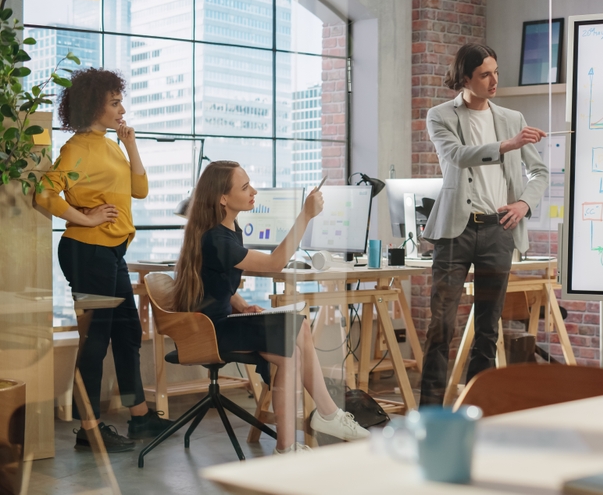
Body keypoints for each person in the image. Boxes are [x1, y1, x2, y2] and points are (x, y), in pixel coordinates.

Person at [171, 161, 369, 453]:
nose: (254, 191)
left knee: (289, 354)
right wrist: (305, 215)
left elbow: (212, 279)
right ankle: (328, 414)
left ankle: (288, 447)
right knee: (297, 325)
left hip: (218, 322)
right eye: (244, 187)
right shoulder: (216, 237)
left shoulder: (225, 230)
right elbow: (275, 265)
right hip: (209, 332)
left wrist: (238, 302)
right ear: (222, 198)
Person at [37, 68, 172, 452]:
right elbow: (45, 195)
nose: (121, 108)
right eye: (114, 102)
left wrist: (130, 144)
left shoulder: (110, 144)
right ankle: (89, 429)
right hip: (86, 252)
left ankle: (141, 417)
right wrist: (86, 217)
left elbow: (140, 189)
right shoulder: (76, 148)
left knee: (128, 333)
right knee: (96, 339)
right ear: (94, 105)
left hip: (110, 251)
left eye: (119, 101)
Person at [419, 43, 550, 406]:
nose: (494, 81)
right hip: (454, 234)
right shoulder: (440, 115)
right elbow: (456, 156)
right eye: (485, 75)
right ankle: (430, 415)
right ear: (465, 78)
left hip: (498, 232)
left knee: (488, 330)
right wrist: (507, 145)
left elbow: (539, 172)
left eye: (495, 71)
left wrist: (524, 203)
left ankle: (477, 411)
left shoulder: (512, 118)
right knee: (440, 327)